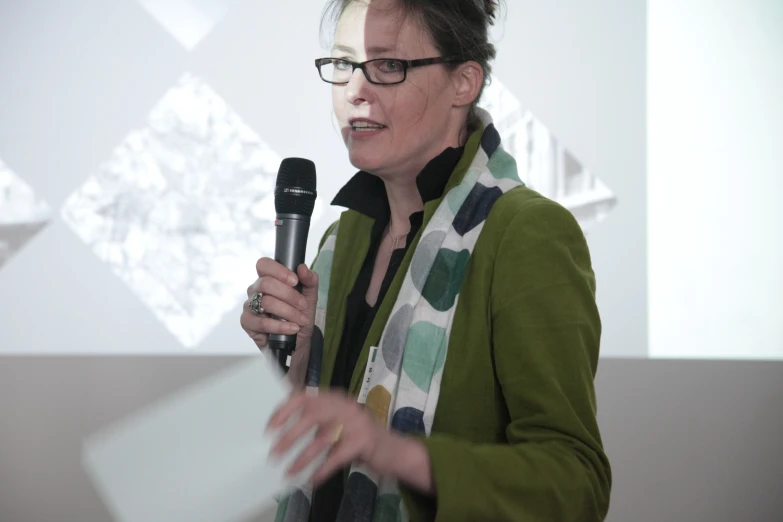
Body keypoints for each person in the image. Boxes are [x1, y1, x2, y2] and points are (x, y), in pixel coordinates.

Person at [239, 0, 612, 520]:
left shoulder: (527, 234)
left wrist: (394, 451)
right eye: (344, 64)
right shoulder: (338, 239)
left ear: (464, 82)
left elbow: (577, 484)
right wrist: (297, 360)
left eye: (388, 66)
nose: (355, 91)